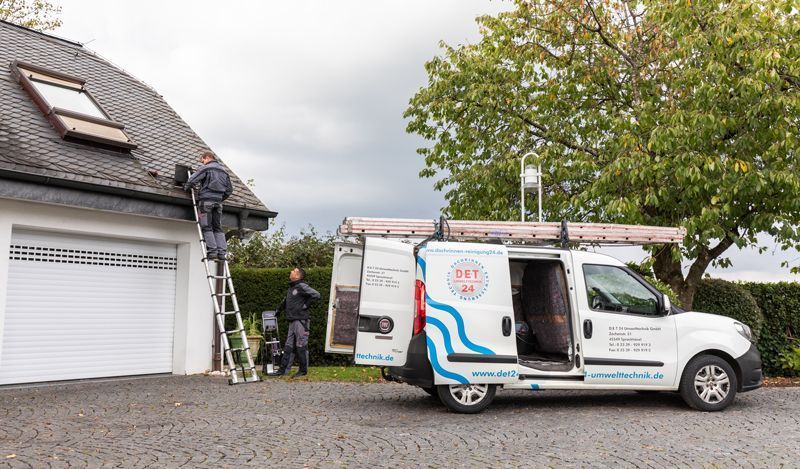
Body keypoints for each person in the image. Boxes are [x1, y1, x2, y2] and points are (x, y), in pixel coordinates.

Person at [183, 151, 233, 260]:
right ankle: (221, 253)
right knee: (218, 228)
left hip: (206, 202)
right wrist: (220, 198)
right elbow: (229, 190)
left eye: (203, 160)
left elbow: (192, 180)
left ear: (207, 158)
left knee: (206, 226)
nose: (203, 163)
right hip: (218, 204)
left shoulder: (205, 168)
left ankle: (212, 252)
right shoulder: (224, 172)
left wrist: (186, 187)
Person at [276, 267, 321, 378]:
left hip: (301, 321)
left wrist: (305, 305)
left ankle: (303, 371)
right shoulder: (292, 287)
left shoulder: (301, 286)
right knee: (289, 346)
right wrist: (278, 310)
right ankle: (283, 370)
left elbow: (316, 295)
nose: (291, 271)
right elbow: (286, 301)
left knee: (301, 345)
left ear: (297, 275)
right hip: (292, 320)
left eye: (293, 270)